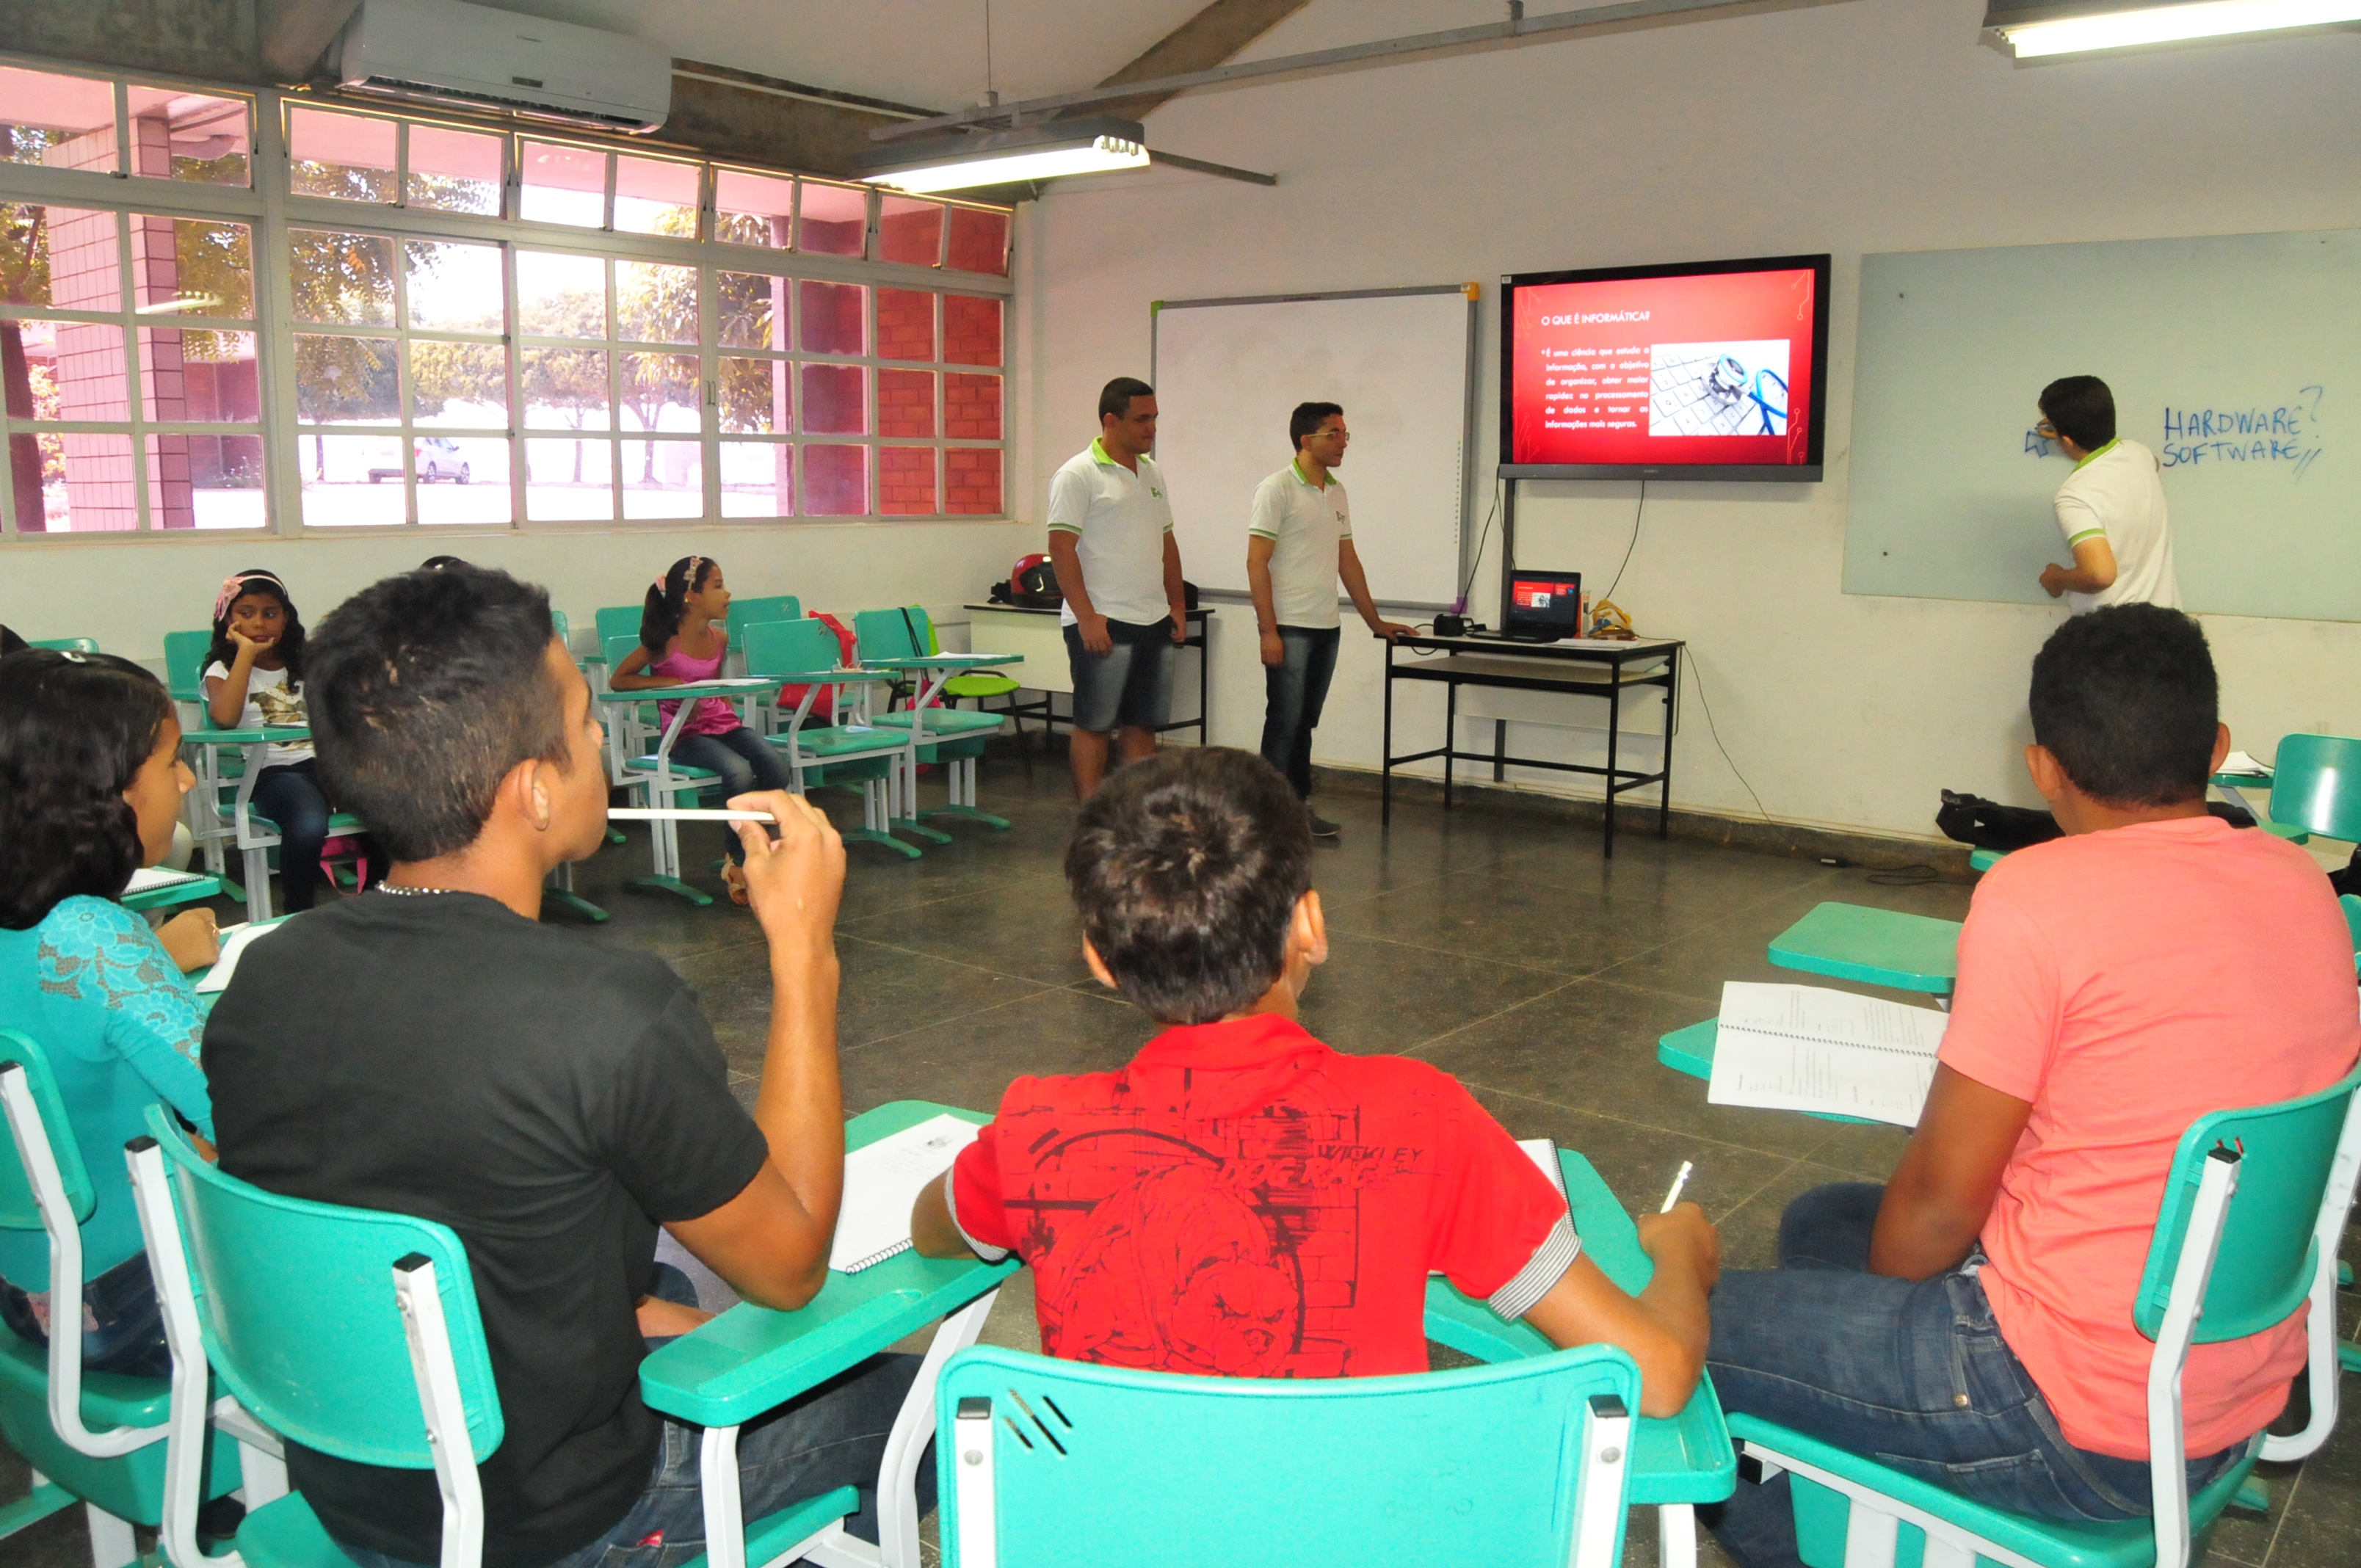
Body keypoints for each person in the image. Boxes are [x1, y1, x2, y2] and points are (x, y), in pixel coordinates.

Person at [203, 566, 924, 1568]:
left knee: (675, 1274)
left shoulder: (263, 978)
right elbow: (792, 1264)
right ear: (535, 789)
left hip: (354, 1479)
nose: (600, 746)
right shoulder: (607, 1012)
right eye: (586, 723)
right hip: (567, 1513)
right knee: (924, 1401)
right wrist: (805, 955)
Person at [1704, 605, 2360, 1568]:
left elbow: (1937, 1205)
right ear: (2217, 749)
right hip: (2226, 1382)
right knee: (1822, 1222)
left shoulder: (2033, 899)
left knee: (1678, 1323)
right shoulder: (2304, 887)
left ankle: (1887, 1507)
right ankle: (1889, 1487)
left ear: (2043, 766)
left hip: (2073, 1418)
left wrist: (1894, 1322)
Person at [910, 747, 1719, 1413]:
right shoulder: (1423, 1119)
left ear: (1097, 960)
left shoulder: (1038, 1131)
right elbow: (1656, 1374)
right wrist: (1680, 1255)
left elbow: (932, 1226)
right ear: (1310, 923)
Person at [0, 650, 220, 1379]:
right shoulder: (90, 935)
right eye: (169, 763)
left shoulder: (47, 930)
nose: (187, 779)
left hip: (27, 1288)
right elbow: (239, 1109)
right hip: (128, 1302)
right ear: (101, 790)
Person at [1247, 402, 1412, 838]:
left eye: (1345, 434)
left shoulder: (1336, 492)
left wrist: (1374, 621)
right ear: (1307, 441)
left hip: (1326, 626)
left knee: (1304, 722)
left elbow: (1347, 560)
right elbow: (1256, 563)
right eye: (1333, 434)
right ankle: (1267, 819)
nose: (1342, 442)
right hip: (1290, 626)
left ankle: (1297, 808)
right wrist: (1269, 631)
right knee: (1284, 721)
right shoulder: (1276, 489)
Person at [609, 554, 794, 906]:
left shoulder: (720, 639)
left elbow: (718, 688)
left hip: (724, 725)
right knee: (738, 771)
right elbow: (619, 679)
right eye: (718, 586)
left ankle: (744, 844)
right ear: (692, 595)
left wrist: (728, 707)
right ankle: (741, 859)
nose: (727, 594)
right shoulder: (664, 641)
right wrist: (672, 683)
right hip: (685, 736)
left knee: (776, 766)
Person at [1047, 377, 1189, 799]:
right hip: (1103, 622)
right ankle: (1092, 821)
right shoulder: (1077, 474)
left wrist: (1177, 606)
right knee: (1094, 724)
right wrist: (1088, 618)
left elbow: (1167, 542)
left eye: (1155, 418)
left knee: (1142, 724)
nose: (1152, 428)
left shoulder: (1152, 473)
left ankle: (1137, 818)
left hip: (1153, 618)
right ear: (1111, 420)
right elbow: (1060, 547)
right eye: (1142, 419)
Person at [202, 568, 371, 912]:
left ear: (286, 618)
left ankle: (381, 904)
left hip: (329, 766)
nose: (259, 624)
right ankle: (299, 912)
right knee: (308, 824)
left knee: (393, 810)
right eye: (246, 614)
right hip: (275, 774)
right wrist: (246, 654)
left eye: (270, 613)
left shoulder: (305, 664)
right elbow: (225, 718)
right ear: (228, 621)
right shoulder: (222, 670)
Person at [2035, 376, 2179, 611]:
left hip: (2114, 637)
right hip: (2168, 625)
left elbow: (2099, 575)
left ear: (2067, 440)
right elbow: (2154, 463)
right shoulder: (2139, 453)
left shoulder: (2075, 496)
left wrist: (2057, 579)